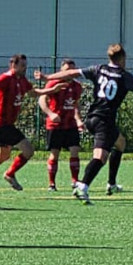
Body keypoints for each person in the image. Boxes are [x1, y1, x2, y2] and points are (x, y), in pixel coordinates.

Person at [42, 43, 133, 203]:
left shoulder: (98, 68)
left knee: (120, 143)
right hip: (104, 121)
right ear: (123, 58)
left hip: (92, 118)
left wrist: (48, 77)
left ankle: (111, 184)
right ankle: (83, 186)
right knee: (100, 157)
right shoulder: (125, 76)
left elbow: (72, 72)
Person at [0, 54, 60, 192]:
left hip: (7, 124)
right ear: (13, 65)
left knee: (4, 156)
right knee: (29, 150)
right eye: (22, 66)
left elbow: (32, 93)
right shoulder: (6, 78)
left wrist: (52, 90)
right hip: (2, 123)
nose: (25, 68)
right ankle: (9, 174)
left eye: (25, 66)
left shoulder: (21, 79)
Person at [38, 59, 84, 192]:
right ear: (61, 71)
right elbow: (42, 99)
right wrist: (50, 114)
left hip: (70, 124)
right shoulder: (53, 83)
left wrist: (79, 120)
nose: (70, 73)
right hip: (55, 125)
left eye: (72, 70)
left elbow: (75, 104)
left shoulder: (77, 86)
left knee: (75, 150)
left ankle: (75, 181)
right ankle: (52, 184)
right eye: (66, 70)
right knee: (55, 154)